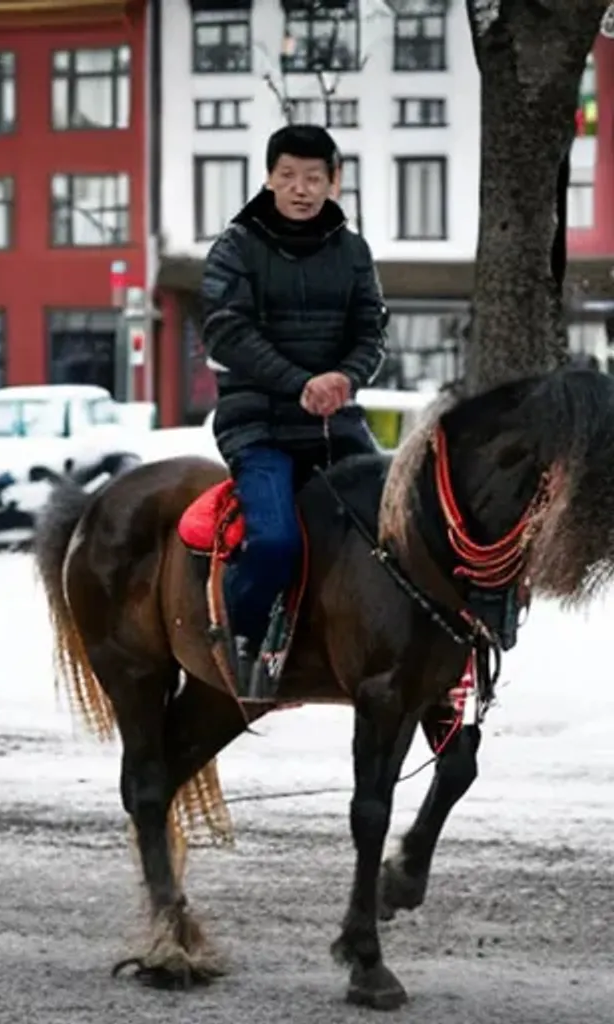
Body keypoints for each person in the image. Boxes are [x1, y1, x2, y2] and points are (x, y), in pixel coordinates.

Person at [200, 124, 388, 692]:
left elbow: (371, 333)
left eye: (312, 178)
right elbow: (225, 333)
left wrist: (345, 377)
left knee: (396, 533)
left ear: (335, 181)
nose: (299, 189)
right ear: (268, 178)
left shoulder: (353, 251)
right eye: (286, 176)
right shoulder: (236, 246)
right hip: (257, 424)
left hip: (334, 424)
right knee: (275, 539)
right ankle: (242, 638)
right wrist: (301, 382)